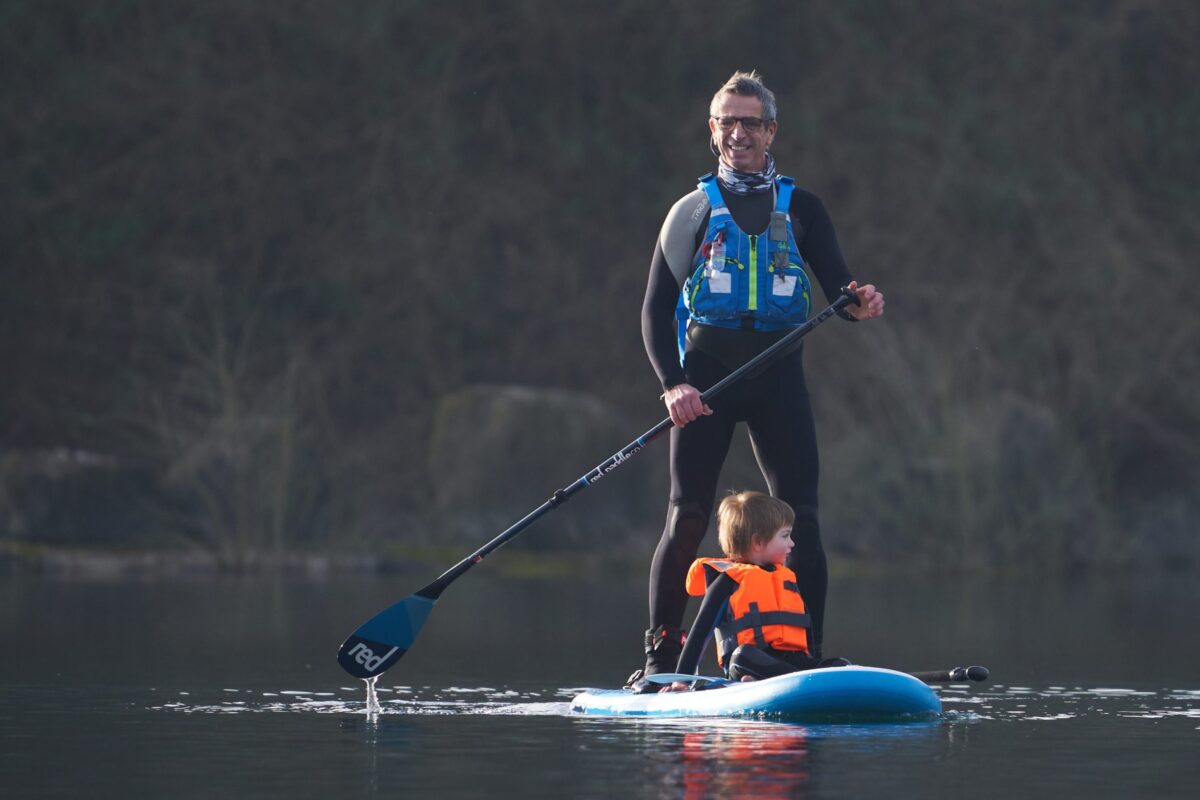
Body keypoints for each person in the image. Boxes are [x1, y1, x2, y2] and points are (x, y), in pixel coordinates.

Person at [636, 70, 884, 681]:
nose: (738, 133)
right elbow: (654, 309)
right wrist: (674, 384)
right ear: (712, 130)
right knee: (687, 515)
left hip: (779, 377)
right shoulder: (690, 212)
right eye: (727, 121)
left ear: (771, 131)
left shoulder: (803, 209)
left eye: (751, 122)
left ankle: (807, 656)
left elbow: (840, 293)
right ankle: (661, 660)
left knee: (802, 515)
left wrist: (861, 304)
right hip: (706, 380)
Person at [663, 492, 850, 690]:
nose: (792, 544)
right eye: (785, 536)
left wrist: (813, 663)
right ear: (758, 542)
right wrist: (681, 681)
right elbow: (700, 633)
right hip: (748, 662)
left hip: (791, 663)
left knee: (842, 665)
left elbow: (806, 630)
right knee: (743, 655)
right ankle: (790, 681)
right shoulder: (728, 581)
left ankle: (797, 681)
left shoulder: (787, 578)